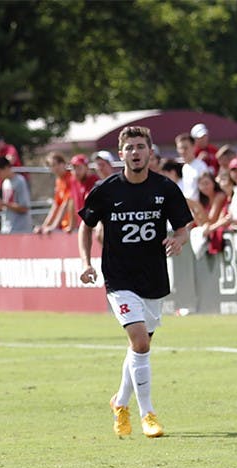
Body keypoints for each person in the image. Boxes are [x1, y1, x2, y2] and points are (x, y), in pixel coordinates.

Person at [78, 126, 191, 439]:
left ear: (150, 152)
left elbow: (183, 227)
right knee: (140, 342)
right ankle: (148, 415)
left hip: (153, 278)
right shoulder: (106, 190)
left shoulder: (165, 189)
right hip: (119, 277)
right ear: (121, 154)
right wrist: (86, 262)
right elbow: (85, 226)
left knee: (140, 347)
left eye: (141, 147)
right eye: (130, 148)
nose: (136, 153)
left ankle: (120, 401)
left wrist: (179, 240)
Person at [37, 152, 83, 234]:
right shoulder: (59, 181)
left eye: (55, 164)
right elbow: (56, 205)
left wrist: (54, 226)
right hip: (64, 225)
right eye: (51, 166)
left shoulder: (71, 178)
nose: (54, 168)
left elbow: (66, 204)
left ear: (63, 163)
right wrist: (44, 226)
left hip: (74, 226)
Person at [0, 156, 32, 233]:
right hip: (7, 228)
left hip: (20, 229)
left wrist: (3, 203)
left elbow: (24, 208)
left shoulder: (20, 181)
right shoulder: (5, 183)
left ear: (6, 168)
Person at [175, 133, 210, 204]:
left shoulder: (201, 166)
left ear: (194, 147)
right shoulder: (184, 168)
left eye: (185, 148)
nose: (182, 151)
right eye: (180, 148)